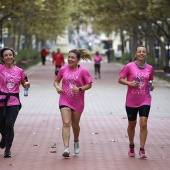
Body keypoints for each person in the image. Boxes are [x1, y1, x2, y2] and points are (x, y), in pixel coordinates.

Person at [54, 49, 92, 157]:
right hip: (64, 99)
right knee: (66, 123)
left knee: (75, 125)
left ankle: (76, 141)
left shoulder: (83, 71)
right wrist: (57, 87)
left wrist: (80, 89)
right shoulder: (63, 69)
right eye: (69, 57)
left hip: (77, 101)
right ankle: (66, 148)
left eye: (73, 57)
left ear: (78, 60)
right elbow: (56, 80)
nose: (70, 59)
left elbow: (89, 84)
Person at [118, 45, 154, 158]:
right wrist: (129, 83)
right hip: (131, 101)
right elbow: (120, 79)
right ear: (136, 54)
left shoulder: (150, 68)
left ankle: (142, 149)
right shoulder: (129, 66)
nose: (141, 53)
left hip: (145, 99)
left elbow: (151, 79)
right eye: (139, 52)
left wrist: (151, 86)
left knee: (143, 124)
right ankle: (131, 145)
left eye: (143, 52)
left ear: (146, 54)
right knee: (132, 124)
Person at [0, 47, 30, 158]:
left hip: (14, 102)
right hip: (1, 100)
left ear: (13, 56)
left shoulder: (20, 71)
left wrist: (27, 85)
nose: (8, 57)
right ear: (2, 58)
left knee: (9, 124)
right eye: (6, 55)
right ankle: (4, 136)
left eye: (10, 55)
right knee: (1, 125)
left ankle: (8, 149)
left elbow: (24, 84)